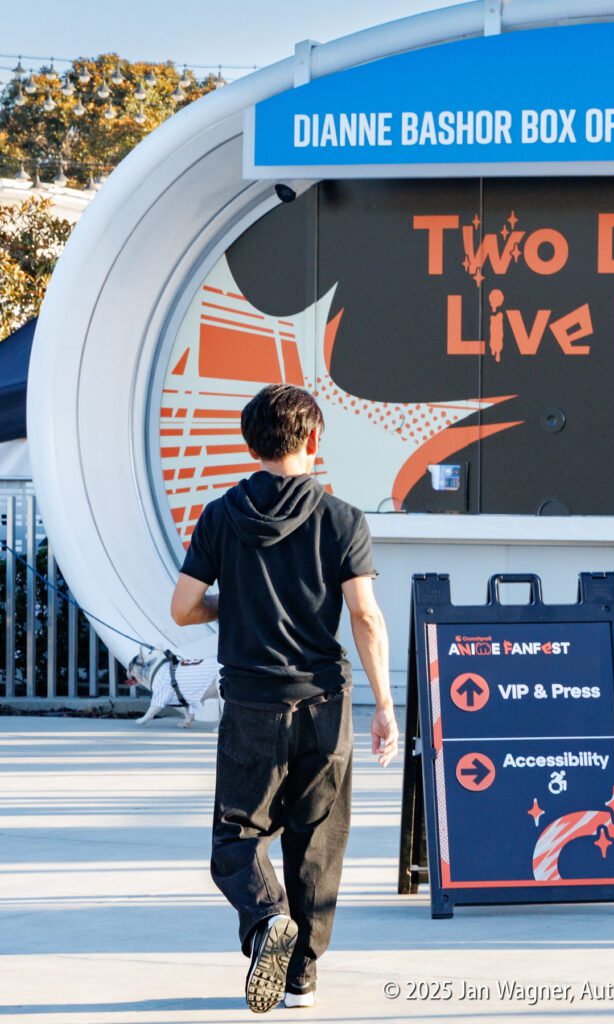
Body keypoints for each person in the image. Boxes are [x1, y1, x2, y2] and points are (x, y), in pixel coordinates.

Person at [170, 383, 398, 1014]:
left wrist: (232, 603)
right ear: (313, 440)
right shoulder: (343, 518)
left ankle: (266, 919)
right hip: (325, 701)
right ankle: (300, 978)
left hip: (251, 703)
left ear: (251, 444)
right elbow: (365, 617)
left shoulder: (222, 515)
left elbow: (184, 607)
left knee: (236, 838)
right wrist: (384, 704)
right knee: (316, 840)